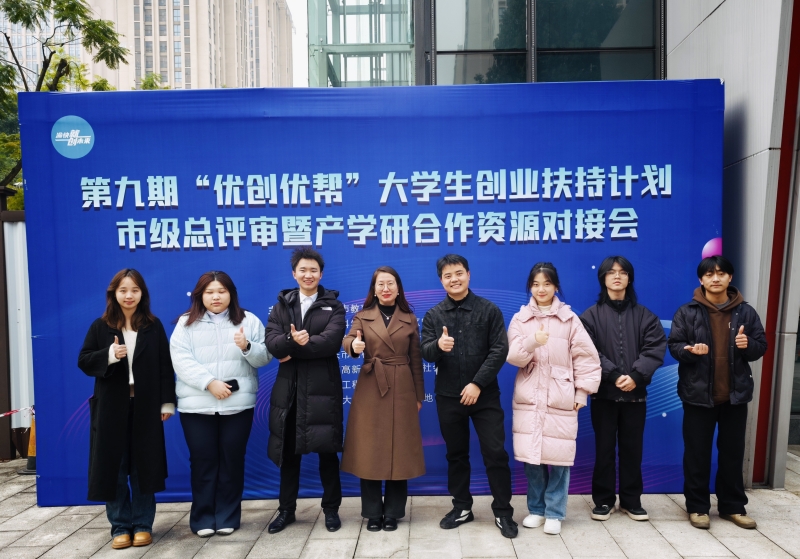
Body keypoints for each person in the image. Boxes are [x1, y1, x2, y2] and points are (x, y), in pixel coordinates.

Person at [78, 269, 176, 550]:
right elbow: (84, 360)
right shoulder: (101, 326)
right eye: (123, 290)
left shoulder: (153, 326)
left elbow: (165, 366)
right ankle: (120, 525)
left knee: (144, 465)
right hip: (111, 407)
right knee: (115, 467)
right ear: (114, 294)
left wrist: (166, 402)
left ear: (142, 293)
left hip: (145, 405)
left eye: (134, 290)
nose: (129, 295)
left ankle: (143, 524)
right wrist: (110, 355)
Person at [420, 254, 518, 538]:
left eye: (459, 273)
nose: (454, 279)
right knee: (456, 455)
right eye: (448, 276)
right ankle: (462, 507)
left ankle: (503, 512)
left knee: (495, 453)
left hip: (484, 396)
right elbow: (425, 352)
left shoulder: (489, 310)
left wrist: (477, 383)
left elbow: (499, 350)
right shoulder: (434, 315)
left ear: (468, 274)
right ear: (441, 280)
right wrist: (438, 346)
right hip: (448, 397)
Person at [668, 256, 767, 530]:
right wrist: (689, 351)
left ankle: (733, 507)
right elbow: (674, 345)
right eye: (709, 274)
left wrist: (748, 345)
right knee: (697, 455)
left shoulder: (746, 312)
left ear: (730, 278)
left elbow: (761, 346)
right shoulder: (687, 312)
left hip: (735, 397)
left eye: (721, 273)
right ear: (701, 280)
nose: (715, 278)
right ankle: (697, 507)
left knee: (732, 455)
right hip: (698, 396)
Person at [170, 271, 271, 537]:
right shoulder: (186, 324)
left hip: (238, 406)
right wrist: (209, 382)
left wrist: (247, 346)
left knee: (231, 460)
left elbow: (264, 357)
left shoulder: (248, 320)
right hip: (197, 406)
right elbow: (180, 359)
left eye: (221, 291)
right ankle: (202, 518)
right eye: (210, 292)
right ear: (200, 295)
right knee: (203, 461)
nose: (216, 297)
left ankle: (227, 516)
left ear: (231, 294)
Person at [506, 262, 601, 536]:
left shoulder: (570, 320)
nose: (541, 289)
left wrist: (582, 392)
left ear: (556, 286)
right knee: (532, 458)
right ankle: (536, 510)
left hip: (561, 398)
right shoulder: (520, 319)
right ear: (530, 287)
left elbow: (586, 358)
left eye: (547, 284)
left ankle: (555, 512)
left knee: (559, 459)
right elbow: (513, 357)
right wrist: (533, 341)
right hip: (529, 398)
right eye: (536, 284)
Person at [265, 248, 347, 534]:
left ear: (321, 274)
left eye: (313, 270)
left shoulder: (334, 306)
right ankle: (286, 510)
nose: (308, 275)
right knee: (289, 457)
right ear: (294, 274)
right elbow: (272, 344)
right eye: (303, 270)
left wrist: (293, 347)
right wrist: (289, 341)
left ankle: (331, 510)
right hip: (290, 391)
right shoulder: (281, 306)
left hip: (323, 391)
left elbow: (331, 343)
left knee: (328, 454)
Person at [579, 256, 666, 522]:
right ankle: (604, 501)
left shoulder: (645, 316)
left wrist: (637, 376)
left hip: (635, 396)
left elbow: (655, 348)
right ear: (603, 278)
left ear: (629, 278)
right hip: (604, 395)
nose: (617, 276)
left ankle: (631, 501)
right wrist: (615, 375)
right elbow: (588, 351)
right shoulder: (590, 316)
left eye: (623, 272)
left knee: (632, 451)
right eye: (611, 272)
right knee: (604, 450)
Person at [341, 266, 425, 532]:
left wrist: (418, 396)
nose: (386, 288)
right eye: (381, 284)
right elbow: (348, 340)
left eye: (390, 283)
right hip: (371, 387)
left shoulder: (409, 318)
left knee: (400, 450)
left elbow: (415, 360)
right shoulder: (362, 316)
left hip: (402, 387)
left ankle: (393, 513)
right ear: (374, 289)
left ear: (398, 288)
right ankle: (372, 513)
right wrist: (354, 347)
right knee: (369, 450)